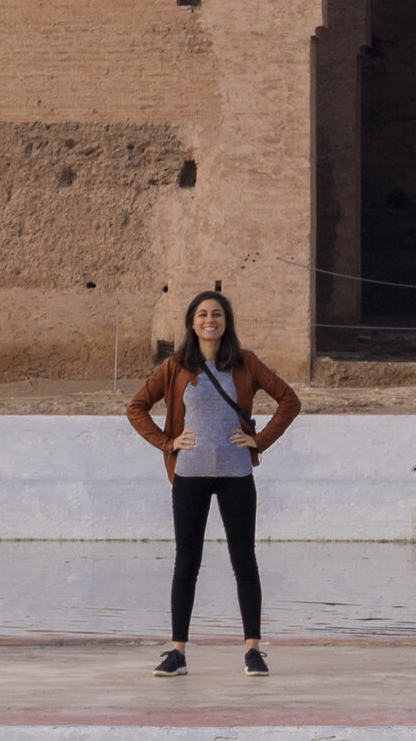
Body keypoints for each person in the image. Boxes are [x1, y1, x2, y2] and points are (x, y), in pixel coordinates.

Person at [125, 286, 299, 677]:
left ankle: (253, 650)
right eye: (203, 314)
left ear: (226, 323)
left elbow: (289, 400)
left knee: (245, 562)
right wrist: (169, 442)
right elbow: (135, 408)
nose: (210, 320)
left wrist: (260, 440)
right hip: (189, 477)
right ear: (192, 322)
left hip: (236, 475)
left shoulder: (246, 362)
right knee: (186, 563)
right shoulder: (175, 367)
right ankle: (177, 652)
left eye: (217, 315)